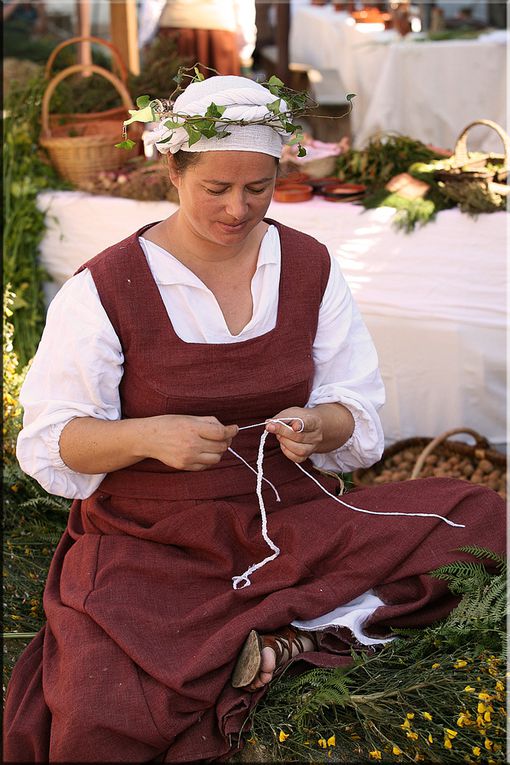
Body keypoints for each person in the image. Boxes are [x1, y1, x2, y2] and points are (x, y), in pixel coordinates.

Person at [3, 74, 505, 762]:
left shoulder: (309, 266)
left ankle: (288, 640)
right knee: (103, 711)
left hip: (288, 516)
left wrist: (316, 426)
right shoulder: (106, 288)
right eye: (216, 188)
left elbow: (353, 408)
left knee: (480, 519)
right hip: (155, 539)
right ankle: (296, 631)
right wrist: (147, 437)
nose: (238, 209)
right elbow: (51, 442)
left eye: (257, 188)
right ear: (171, 171)